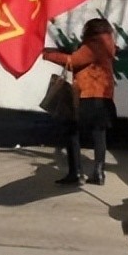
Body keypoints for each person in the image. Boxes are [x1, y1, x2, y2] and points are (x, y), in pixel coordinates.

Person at [43, 18, 117, 185]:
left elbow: (73, 61)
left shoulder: (94, 44)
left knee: (71, 130)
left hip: (89, 95)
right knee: (99, 134)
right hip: (103, 95)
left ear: (90, 30)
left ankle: (75, 172)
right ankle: (98, 172)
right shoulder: (108, 43)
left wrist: (47, 55)